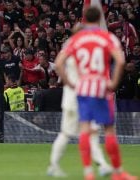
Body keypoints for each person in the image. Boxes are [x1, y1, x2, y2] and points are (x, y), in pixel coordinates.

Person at [55, 7, 137, 180]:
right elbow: (121, 60)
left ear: (84, 19)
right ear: (100, 17)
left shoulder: (76, 40)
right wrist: (114, 82)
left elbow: (58, 62)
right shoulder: (107, 37)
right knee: (108, 130)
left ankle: (88, 173)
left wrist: (69, 82)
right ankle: (118, 172)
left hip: (83, 89)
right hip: (100, 88)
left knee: (84, 129)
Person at [47, 25, 112, 176]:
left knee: (76, 132)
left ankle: (101, 164)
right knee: (85, 132)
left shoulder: (69, 45)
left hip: (75, 96)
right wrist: (70, 83)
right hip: (80, 96)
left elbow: (58, 64)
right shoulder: (80, 46)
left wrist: (68, 83)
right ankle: (101, 165)